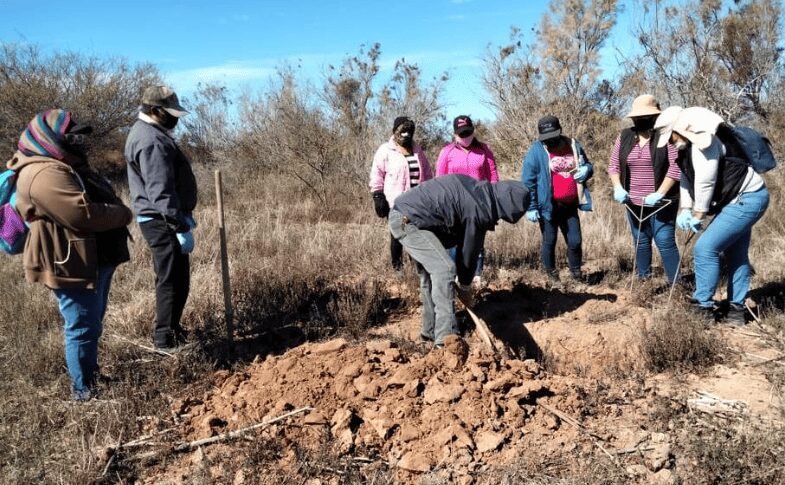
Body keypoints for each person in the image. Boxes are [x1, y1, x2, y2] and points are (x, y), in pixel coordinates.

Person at [8, 109, 133, 401]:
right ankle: (84, 391)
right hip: (67, 262)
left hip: (88, 259)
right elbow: (81, 215)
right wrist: (123, 213)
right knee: (81, 326)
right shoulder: (43, 172)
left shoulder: (64, 163)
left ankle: (91, 376)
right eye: (71, 136)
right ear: (47, 137)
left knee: (92, 321)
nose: (78, 142)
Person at [655, 106, 769, 325]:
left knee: (705, 248)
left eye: (670, 137)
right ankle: (736, 310)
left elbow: (705, 181)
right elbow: (686, 179)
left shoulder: (704, 144)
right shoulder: (684, 149)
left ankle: (703, 306)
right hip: (737, 200)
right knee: (735, 252)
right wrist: (686, 209)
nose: (669, 142)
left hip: (747, 198)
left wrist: (699, 214)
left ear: (678, 130)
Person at [389, 174, 529, 347]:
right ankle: (446, 341)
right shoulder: (479, 209)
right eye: (503, 216)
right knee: (444, 269)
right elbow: (469, 252)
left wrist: (464, 283)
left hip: (410, 216)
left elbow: (467, 249)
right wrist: (464, 286)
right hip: (408, 220)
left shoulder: (481, 195)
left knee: (431, 275)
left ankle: (429, 333)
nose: (499, 219)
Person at [125, 85, 198, 351]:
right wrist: (178, 223)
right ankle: (165, 341)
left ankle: (174, 331)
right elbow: (160, 190)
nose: (176, 118)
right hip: (161, 221)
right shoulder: (150, 140)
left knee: (178, 278)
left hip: (164, 218)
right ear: (155, 110)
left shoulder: (152, 133)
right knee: (170, 280)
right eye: (170, 113)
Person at [608, 95, 681, 284]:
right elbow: (614, 165)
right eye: (637, 117)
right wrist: (618, 188)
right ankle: (644, 282)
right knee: (640, 241)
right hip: (633, 201)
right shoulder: (624, 136)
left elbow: (676, 166)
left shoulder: (665, 135)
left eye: (645, 116)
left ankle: (676, 285)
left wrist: (660, 193)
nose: (640, 120)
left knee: (664, 241)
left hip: (662, 201)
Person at [521, 115, 593, 286]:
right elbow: (528, 181)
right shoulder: (536, 151)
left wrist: (586, 170)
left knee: (575, 241)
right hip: (548, 206)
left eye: (552, 136)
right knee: (549, 240)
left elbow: (588, 165)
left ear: (559, 131)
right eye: (545, 138)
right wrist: (531, 206)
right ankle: (552, 277)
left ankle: (576, 275)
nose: (549, 141)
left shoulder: (573, 145)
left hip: (569, 204)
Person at [436, 115, 499, 285]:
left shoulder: (484, 150)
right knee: (455, 242)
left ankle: (476, 275)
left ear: (473, 131)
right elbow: (439, 180)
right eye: (461, 134)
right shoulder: (446, 152)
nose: (465, 137)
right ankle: (455, 276)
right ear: (455, 135)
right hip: (454, 205)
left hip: (479, 204)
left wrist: (493, 200)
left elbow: (493, 176)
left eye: (468, 133)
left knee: (476, 240)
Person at [369, 116, 432, 272]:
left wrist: (431, 194)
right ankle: (397, 268)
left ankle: (417, 268)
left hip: (417, 202)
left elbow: (427, 173)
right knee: (397, 235)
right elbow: (377, 173)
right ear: (395, 131)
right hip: (395, 201)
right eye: (402, 131)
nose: (406, 134)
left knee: (416, 235)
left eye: (409, 131)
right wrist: (378, 195)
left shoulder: (417, 150)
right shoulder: (385, 150)